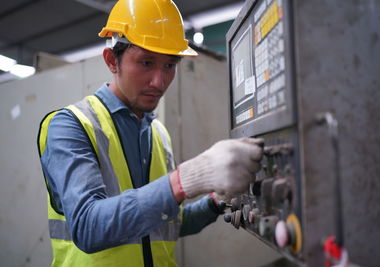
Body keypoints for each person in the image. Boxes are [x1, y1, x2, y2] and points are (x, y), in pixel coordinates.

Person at [37, 0, 263, 266]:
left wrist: (215, 200)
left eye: (169, 65)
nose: (159, 81)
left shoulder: (157, 133)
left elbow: (166, 224)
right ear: (112, 60)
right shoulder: (71, 126)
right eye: (146, 62)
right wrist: (184, 180)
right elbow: (88, 227)